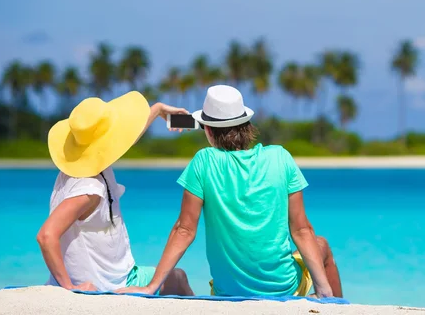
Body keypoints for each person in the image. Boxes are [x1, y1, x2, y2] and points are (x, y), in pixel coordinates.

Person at [117, 85, 343, 298]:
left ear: (207, 129)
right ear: (246, 124)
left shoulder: (203, 162)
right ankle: (332, 301)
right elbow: (302, 230)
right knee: (321, 244)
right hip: (284, 290)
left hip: (228, 293)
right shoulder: (280, 157)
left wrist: (151, 287)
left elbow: (184, 230)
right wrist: (321, 288)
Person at [37, 91, 194, 295]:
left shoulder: (74, 168)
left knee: (174, 277)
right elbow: (46, 236)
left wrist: (157, 110)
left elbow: (128, 138)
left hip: (106, 276)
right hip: (110, 284)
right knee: (178, 277)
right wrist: (70, 288)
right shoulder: (90, 188)